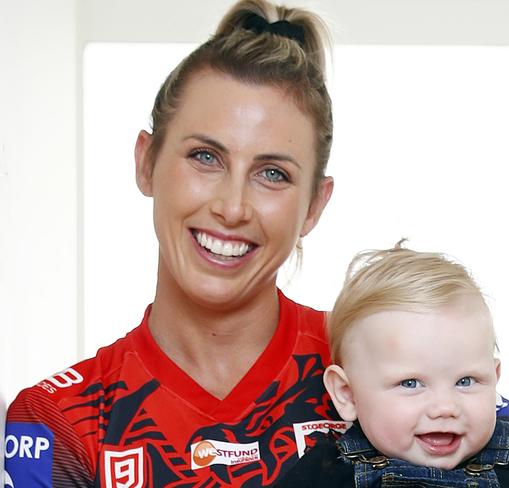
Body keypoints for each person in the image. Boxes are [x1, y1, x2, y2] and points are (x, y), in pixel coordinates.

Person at [4, 1, 339, 486]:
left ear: (314, 206)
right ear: (147, 162)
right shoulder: (59, 420)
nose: (232, 206)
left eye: (272, 173)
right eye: (206, 157)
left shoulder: (383, 370)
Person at [275, 244, 509, 487]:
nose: (445, 407)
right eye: (410, 383)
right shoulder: (331, 468)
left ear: (494, 380)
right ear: (347, 395)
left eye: (465, 381)